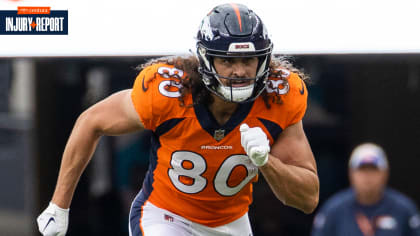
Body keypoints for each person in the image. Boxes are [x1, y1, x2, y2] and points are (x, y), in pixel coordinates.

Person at [37, 3, 319, 236]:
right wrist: (59, 206)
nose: (239, 71)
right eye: (227, 60)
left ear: (264, 60)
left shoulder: (279, 98)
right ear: (206, 60)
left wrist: (266, 162)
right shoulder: (167, 94)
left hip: (231, 222)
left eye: (248, 60)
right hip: (166, 216)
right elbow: (91, 121)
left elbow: (307, 199)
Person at [311, 143, 420, 236]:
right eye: (362, 170)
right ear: (351, 173)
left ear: (385, 173)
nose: (367, 176)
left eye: (373, 170)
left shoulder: (405, 209)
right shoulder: (333, 210)